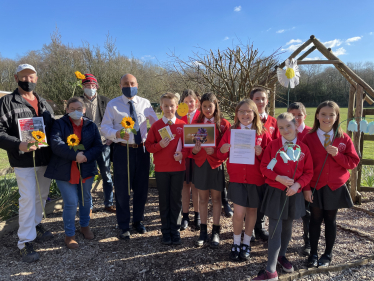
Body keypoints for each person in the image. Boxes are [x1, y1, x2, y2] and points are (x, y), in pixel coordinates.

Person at [0, 64, 54, 262]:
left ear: (36, 79)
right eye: (24, 77)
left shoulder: (44, 103)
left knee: (42, 196)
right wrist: (19, 144)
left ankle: (36, 224)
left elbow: (52, 128)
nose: (28, 81)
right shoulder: (7, 102)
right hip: (23, 160)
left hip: (44, 158)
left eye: (31, 77)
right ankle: (24, 241)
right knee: (28, 199)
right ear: (16, 77)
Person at [253, 113, 313, 280]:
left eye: (288, 126)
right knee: (275, 228)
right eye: (281, 127)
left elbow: (308, 172)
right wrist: (278, 178)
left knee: (287, 226)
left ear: (296, 125)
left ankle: (282, 255)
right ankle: (271, 270)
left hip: (293, 192)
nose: (285, 130)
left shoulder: (303, 149)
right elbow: (264, 167)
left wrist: (297, 184)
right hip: (275, 192)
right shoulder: (273, 146)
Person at [302, 101, 360, 268]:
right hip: (315, 186)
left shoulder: (343, 138)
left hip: (335, 186)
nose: (327, 118)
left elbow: (353, 162)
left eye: (331, 115)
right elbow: (303, 166)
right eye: (324, 114)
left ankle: (327, 254)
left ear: (336, 117)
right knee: (315, 219)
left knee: (330, 220)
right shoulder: (309, 138)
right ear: (317, 116)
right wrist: (306, 188)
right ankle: (313, 253)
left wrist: (338, 155)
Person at [101, 74, 158, 240]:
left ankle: (138, 221)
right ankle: (123, 225)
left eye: (132, 83)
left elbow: (155, 123)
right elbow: (105, 128)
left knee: (141, 189)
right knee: (122, 190)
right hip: (122, 151)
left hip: (142, 151)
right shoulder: (113, 104)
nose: (129, 85)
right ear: (120, 86)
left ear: (137, 84)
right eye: (126, 83)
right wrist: (117, 134)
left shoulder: (145, 103)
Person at [217, 99, 271, 261]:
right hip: (238, 179)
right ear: (237, 114)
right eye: (241, 111)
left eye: (248, 111)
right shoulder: (231, 131)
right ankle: (235, 242)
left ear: (254, 113)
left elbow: (269, 160)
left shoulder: (263, 133)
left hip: (256, 179)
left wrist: (261, 153)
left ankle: (246, 243)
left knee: (252, 212)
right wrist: (223, 149)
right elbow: (220, 155)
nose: (245, 114)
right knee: (239, 213)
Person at [45, 97, 102, 249]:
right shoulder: (59, 123)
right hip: (64, 169)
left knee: (85, 199)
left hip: (86, 167)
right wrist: (74, 155)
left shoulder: (91, 125)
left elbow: (98, 145)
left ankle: (85, 226)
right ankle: (69, 235)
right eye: (72, 109)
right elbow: (56, 144)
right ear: (67, 110)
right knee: (70, 202)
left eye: (79, 109)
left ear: (84, 110)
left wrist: (86, 156)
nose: (75, 111)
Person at [145, 92, 189, 245]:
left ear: (176, 107)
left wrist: (182, 154)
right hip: (161, 170)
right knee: (164, 200)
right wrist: (159, 146)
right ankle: (165, 231)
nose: (169, 108)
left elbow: (188, 148)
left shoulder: (183, 125)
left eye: (172, 106)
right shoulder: (156, 126)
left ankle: (175, 230)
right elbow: (148, 146)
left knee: (176, 200)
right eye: (166, 106)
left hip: (178, 168)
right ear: (161, 107)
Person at [192, 93, 231, 248]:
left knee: (216, 199)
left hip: (216, 165)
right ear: (200, 107)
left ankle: (215, 231)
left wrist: (214, 152)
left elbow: (227, 150)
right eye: (204, 106)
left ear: (216, 105)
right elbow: (189, 150)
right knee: (202, 199)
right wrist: (195, 151)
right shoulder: (196, 124)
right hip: (201, 165)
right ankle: (203, 231)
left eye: (210, 106)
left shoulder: (224, 124)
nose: (208, 109)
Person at [80, 73, 115, 213]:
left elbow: (115, 120)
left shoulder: (106, 101)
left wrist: (111, 137)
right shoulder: (78, 102)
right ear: (83, 87)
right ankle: (89, 205)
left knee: (106, 174)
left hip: (103, 142)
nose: (90, 88)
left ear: (97, 87)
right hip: (86, 144)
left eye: (93, 85)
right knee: (88, 175)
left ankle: (109, 203)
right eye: (87, 86)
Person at [250, 87, 280, 241]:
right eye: (257, 99)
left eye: (263, 99)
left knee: (262, 199)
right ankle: (249, 227)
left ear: (267, 101)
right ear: (252, 101)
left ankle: (259, 227)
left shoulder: (274, 122)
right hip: (249, 168)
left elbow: (278, 145)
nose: (260, 102)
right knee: (250, 199)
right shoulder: (245, 120)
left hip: (266, 169)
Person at [288, 102, 312, 256]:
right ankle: (283, 239)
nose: (296, 118)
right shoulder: (284, 131)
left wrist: (307, 186)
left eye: (299, 115)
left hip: (306, 181)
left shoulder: (311, 133)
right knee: (286, 211)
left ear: (305, 116)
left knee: (307, 213)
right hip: (288, 180)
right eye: (292, 115)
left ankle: (308, 241)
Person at [179, 89, 201, 230]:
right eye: (186, 102)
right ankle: (185, 215)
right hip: (184, 157)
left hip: (198, 156)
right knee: (185, 187)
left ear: (196, 102)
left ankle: (197, 215)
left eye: (191, 101)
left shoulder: (201, 116)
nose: (189, 104)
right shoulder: (179, 117)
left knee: (196, 187)